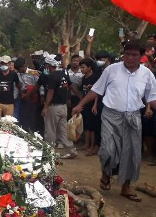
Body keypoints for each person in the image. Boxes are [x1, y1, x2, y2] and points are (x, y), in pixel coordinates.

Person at [73, 41, 156, 202]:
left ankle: (126, 187)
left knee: (132, 154)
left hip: (133, 116)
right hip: (111, 115)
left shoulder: (147, 75)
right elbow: (97, 89)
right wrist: (80, 104)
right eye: (127, 54)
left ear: (141, 56)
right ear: (123, 54)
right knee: (108, 150)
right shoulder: (111, 70)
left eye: (134, 55)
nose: (130, 57)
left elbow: (152, 98)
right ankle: (106, 172)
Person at [41, 56, 77, 159]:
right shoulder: (64, 73)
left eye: (46, 65)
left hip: (54, 107)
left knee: (50, 130)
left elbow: (51, 92)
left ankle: (48, 153)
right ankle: (71, 150)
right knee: (63, 130)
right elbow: (71, 86)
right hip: (63, 107)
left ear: (48, 65)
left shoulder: (52, 76)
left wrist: (45, 107)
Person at [78, 58, 101, 156]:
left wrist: (95, 105)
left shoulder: (95, 77)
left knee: (93, 126)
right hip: (86, 104)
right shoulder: (83, 78)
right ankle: (86, 144)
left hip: (93, 104)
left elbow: (97, 92)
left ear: (89, 67)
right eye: (81, 67)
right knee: (86, 124)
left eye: (83, 67)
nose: (81, 69)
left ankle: (93, 145)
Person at [15, 57, 40, 132]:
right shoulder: (18, 74)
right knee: (23, 116)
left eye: (19, 69)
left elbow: (39, 83)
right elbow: (18, 85)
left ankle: (32, 131)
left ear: (23, 66)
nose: (18, 71)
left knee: (31, 116)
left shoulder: (32, 72)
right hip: (23, 96)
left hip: (32, 96)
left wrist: (41, 95)